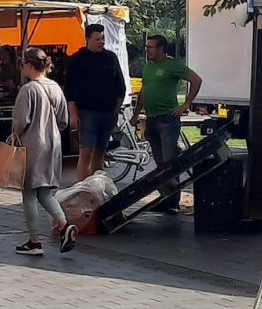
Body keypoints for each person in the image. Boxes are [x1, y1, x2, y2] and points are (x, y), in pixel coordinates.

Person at [13, 48, 78, 257]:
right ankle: (64, 224)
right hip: (53, 144)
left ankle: (34, 241)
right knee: (44, 192)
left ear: (30, 65)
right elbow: (63, 121)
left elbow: (20, 122)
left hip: (32, 145)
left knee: (29, 193)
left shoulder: (28, 89)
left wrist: (14, 136)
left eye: (23, 63)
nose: (22, 67)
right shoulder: (55, 87)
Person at [137, 35, 201, 212]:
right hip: (151, 118)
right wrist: (136, 114)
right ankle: (165, 198)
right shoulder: (148, 66)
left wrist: (186, 104)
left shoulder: (172, 65)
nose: (147, 50)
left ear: (161, 49)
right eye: (147, 47)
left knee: (169, 161)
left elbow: (196, 80)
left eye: (151, 47)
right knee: (160, 163)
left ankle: (173, 202)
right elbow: (144, 90)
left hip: (167, 118)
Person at [64, 24, 127, 181]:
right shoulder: (77, 59)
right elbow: (70, 90)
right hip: (87, 112)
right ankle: (83, 186)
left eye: (103, 38)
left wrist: (116, 111)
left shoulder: (110, 58)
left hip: (108, 112)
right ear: (88, 39)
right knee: (86, 152)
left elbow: (120, 86)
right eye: (97, 39)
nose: (101, 42)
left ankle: (97, 185)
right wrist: (73, 114)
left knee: (100, 153)